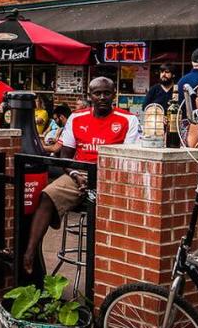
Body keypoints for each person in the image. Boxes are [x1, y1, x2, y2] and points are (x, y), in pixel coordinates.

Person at [22, 78, 141, 275]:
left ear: (114, 94)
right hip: (79, 173)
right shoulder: (77, 117)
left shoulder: (128, 119)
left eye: (107, 93)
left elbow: (128, 160)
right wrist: (77, 175)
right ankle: (30, 252)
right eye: (97, 93)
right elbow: (65, 156)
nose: (102, 97)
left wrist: (100, 179)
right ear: (89, 95)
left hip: (111, 176)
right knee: (46, 195)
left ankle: (110, 268)